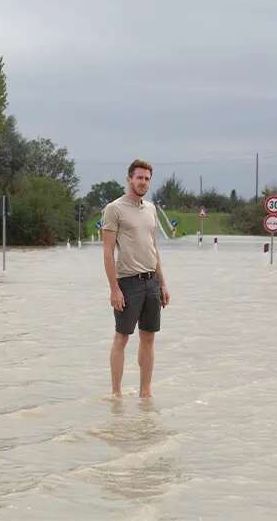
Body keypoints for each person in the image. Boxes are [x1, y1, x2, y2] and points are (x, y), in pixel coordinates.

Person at [101, 159, 171, 398]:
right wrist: (114, 289)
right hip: (127, 283)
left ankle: (145, 392)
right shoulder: (114, 209)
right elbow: (108, 253)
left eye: (147, 178)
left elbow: (154, 249)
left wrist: (162, 283)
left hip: (151, 282)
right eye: (139, 177)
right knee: (122, 338)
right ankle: (116, 394)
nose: (143, 182)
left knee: (149, 338)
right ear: (129, 179)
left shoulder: (151, 209)